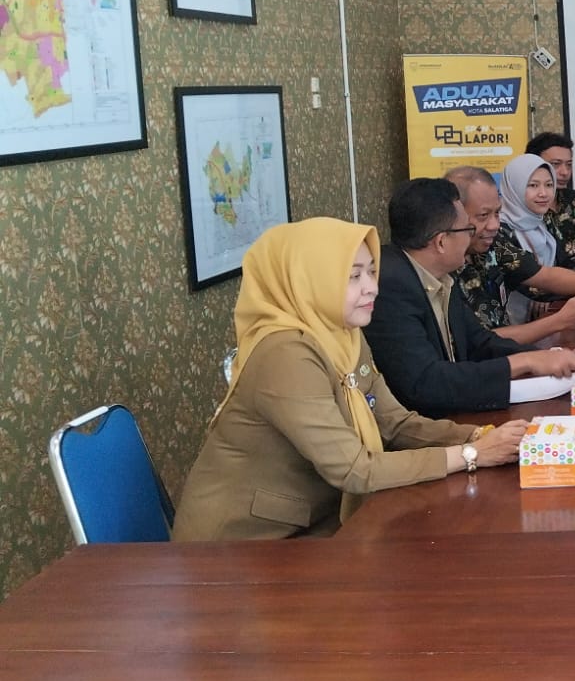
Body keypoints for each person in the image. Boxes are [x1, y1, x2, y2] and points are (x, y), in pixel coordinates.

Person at [172, 218, 530, 541]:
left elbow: (394, 423)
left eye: (372, 272)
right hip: (243, 546)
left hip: (320, 521)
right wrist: (472, 455)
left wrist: (477, 436)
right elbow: (354, 469)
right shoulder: (285, 353)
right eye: (353, 276)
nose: (372, 288)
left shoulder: (342, 333)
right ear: (309, 281)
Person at [365, 177, 575, 418]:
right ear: (441, 242)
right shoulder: (389, 287)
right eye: (467, 230)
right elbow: (426, 382)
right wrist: (525, 362)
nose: (471, 237)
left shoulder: (439, 274)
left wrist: (551, 356)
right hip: (421, 428)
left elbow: (479, 343)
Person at [445, 165, 575, 341]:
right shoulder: (444, 270)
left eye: (497, 213)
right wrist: (559, 321)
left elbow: (542, 275)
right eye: (483, 216)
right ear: (455, 216)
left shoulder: (494, 244)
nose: (494, 225)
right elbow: (478, 342)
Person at [527, 131, 575, 270]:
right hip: (550, 280)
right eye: (556, 164)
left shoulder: (574, 199)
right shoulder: (524, 207)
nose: (565, 172)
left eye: (569, 165)